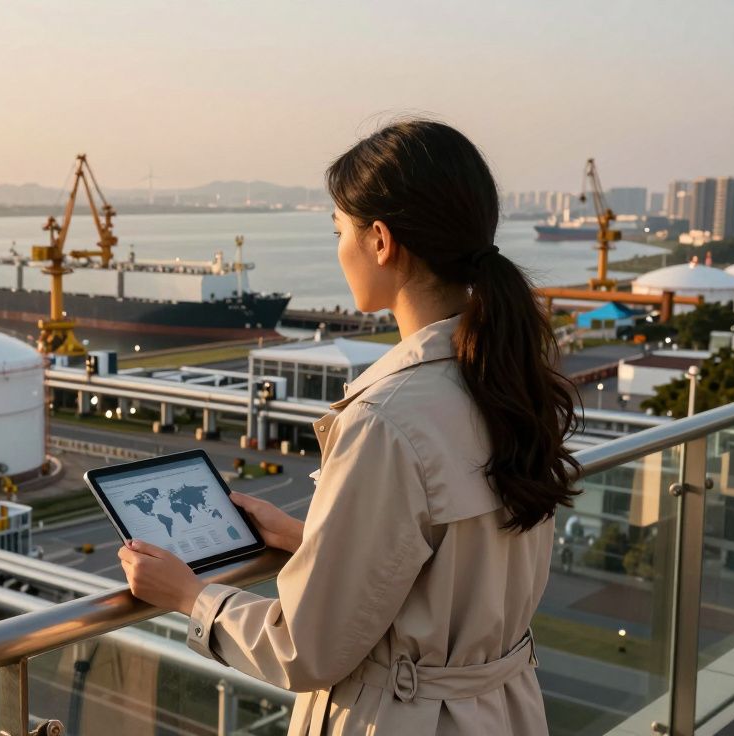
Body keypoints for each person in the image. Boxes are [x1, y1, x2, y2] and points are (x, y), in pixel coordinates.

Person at [118, 119, 579, 735]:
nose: (339, 249)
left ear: (381, 240)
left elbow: (305, 649)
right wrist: (314, 538)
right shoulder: (510, 379)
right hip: (503, 709)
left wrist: (187, 595)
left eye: (340, 231)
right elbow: (450, 559)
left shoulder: (386, 418)